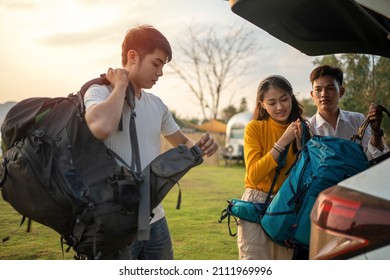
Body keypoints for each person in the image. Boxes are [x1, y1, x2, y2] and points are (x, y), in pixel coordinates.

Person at [83, 24, 218, 260]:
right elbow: (101, 127)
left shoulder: (157, 105)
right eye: (156, 64)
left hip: (155, 218)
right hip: (115, 223)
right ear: (132, 57)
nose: (161, 72)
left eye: (163, 66)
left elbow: (182, 142)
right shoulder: (99, 92)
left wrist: (202, 146)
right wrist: (121, 85)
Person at [237, 75, 311, 260]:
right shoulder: (254, 128)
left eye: (284, 99)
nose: (280, 107)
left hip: (286, 205)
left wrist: (301, 148)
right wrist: (283, 141)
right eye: (272, 102)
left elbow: (305, 177)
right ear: (262, 104)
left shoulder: (303, 129)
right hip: (256, 202)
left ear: (292, 97)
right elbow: (254, 175)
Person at [309, 65, 388, 160]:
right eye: (318, 89)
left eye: (330, 88)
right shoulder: (309, 129)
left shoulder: (358, 120)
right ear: (312, 94)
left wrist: (376, 133)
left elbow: (376, 157)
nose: (324, 94)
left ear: (341, 92)